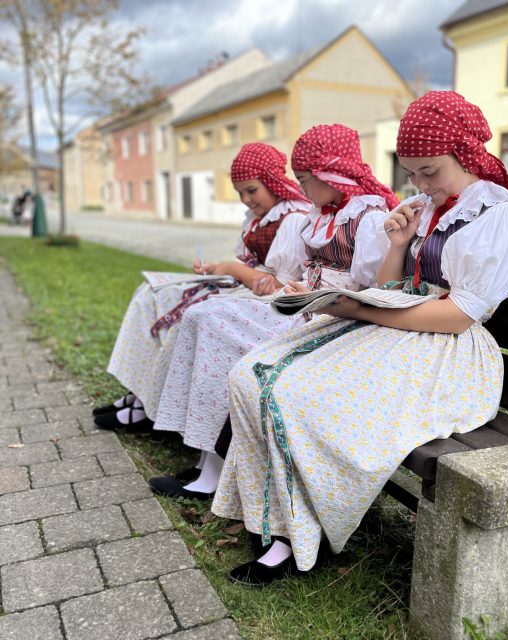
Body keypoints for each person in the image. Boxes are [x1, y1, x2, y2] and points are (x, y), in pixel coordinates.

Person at [210, 91, 508, 586]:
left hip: (448, 353)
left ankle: (300, 534)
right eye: (412, 173)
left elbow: (459, 315)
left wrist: (359, 309)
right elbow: (389, 288)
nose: (420, 184)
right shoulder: (424, 208)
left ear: (466, 155)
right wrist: (398, 245)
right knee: (248, 375)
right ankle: (274, 519)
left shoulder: (497, 217)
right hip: (399, 326)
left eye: (430, 171)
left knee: (295, 393)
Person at [149, 123, 399, 500]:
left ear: (331, 175)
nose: (301, 188)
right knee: (204, 315)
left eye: (305, 180)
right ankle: (207, 458)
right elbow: (293, 273)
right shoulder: (321, 213)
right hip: (302, 304)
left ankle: (213, 470)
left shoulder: (368, 218)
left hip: (333, 317)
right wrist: (296, 288)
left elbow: (371, 290)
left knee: (216, 327)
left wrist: (314, 294)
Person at [93, 143, 312, 431]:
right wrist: (215, 268)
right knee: (152, 294)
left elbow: (276, 286)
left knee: (190, 314)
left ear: (272, 182)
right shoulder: (260, 219)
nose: (246, 199)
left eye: (251, 190)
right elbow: (252, 266)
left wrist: (229, 268)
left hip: (269, 301)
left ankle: (151, 408)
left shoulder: (293, 218)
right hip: (245, 286)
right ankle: (140, 392)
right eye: (240, 193)